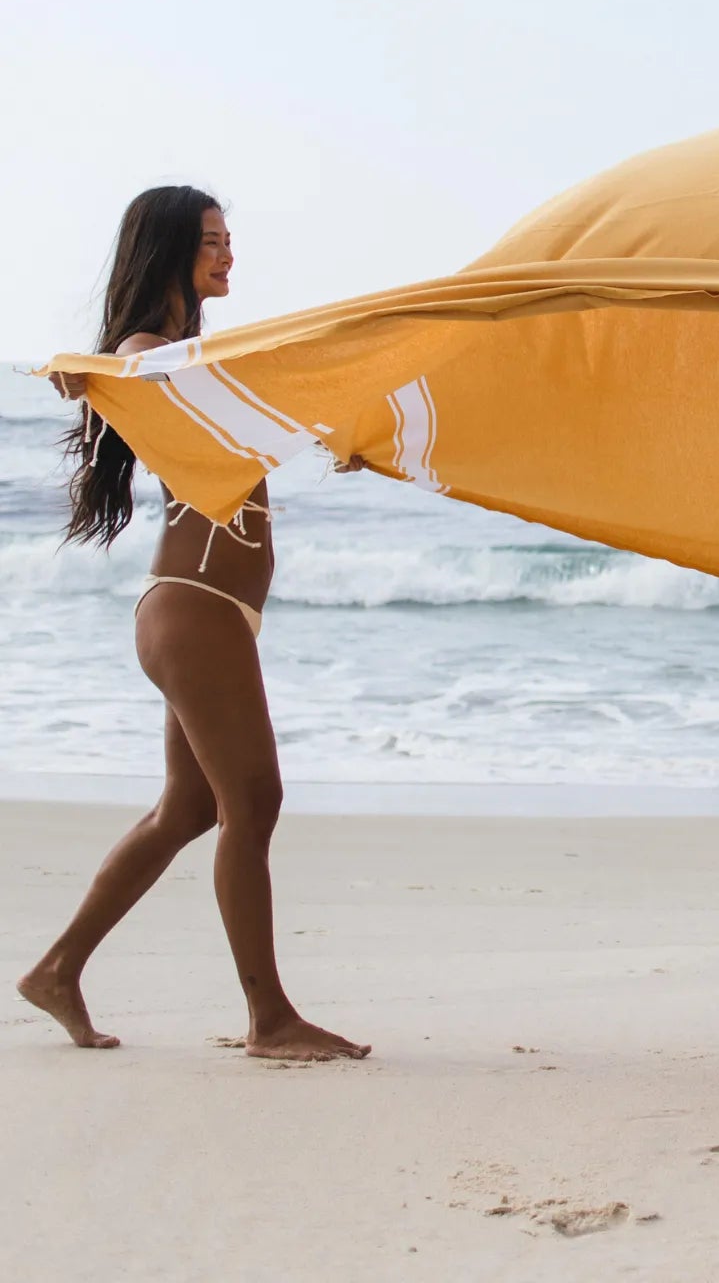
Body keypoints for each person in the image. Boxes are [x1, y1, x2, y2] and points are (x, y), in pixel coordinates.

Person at [17, 187, 369, 1060]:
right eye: (212, 241)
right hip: (195, 605)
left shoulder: (189, 355)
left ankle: (57, 970)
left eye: (229, 240)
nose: (228, 255)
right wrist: (89, 375)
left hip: (211, 611)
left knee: (190, 808)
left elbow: (223, 424)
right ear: (171, 247)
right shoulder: (151, 354)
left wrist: (341, 430)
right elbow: (124, 380)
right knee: (254, 801)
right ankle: (271, 1020)